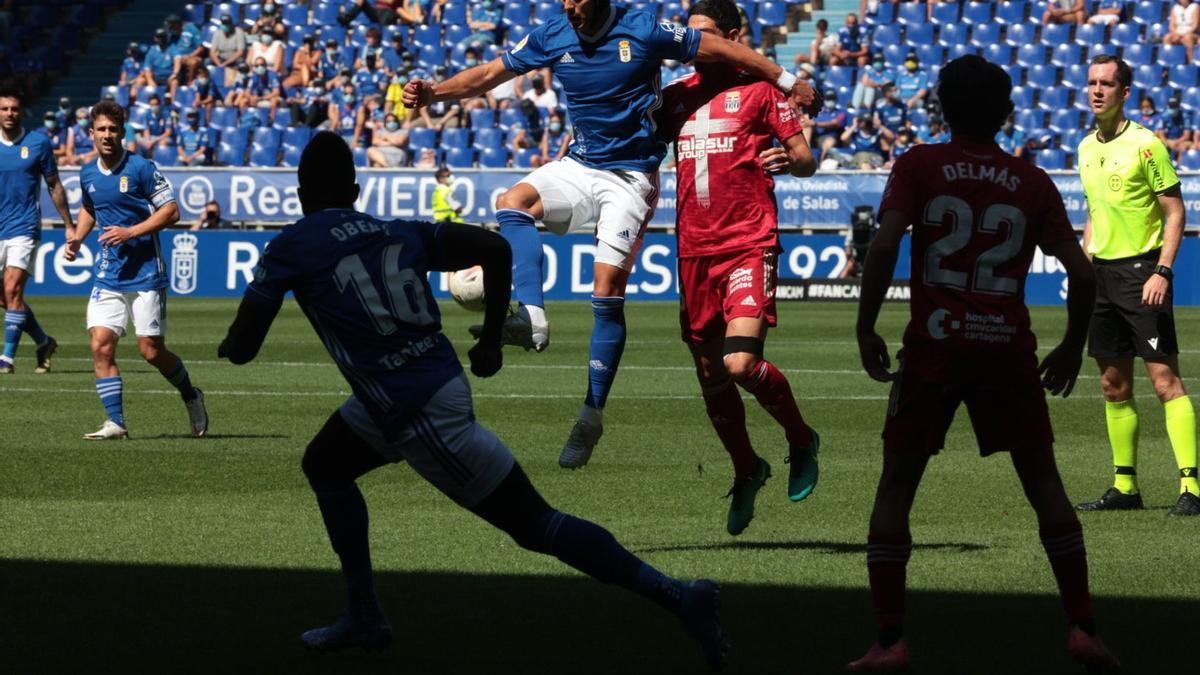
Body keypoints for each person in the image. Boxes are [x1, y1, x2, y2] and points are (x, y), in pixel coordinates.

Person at [215, 131, 729, 669]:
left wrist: (230, 344)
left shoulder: (291, 246)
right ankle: (364, 613)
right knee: (324, 464)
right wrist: (488, 338)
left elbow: (244, 348)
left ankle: (679, 597)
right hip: (405, 390)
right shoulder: (394, 229)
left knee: (536, 524)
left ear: (299, 193)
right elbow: (492, 247)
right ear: (356, 188)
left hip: (417, 409)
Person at [403, 0, 820, 469]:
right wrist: (434, 93)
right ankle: (533, 316)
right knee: (511, 202)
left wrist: (787, 81)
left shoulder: (644, 28)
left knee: (607, 290)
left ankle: (591, 415)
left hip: (631, 177)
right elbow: (487, 75)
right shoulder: (552, 33)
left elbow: (721, 49)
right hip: (581, 163)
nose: (568, 6)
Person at [850, 55, 1120, 673]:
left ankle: (890, 642)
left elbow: (886, 242)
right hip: (1006, 347)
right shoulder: (1030, 181)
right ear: (1007, 113)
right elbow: (1081, 274)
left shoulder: (918, 164)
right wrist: (1074, 344)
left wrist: (866, 325)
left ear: (943, 108)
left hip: (934, 345)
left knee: (896, 486)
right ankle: (1083, 628)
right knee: (1045, 485)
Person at [658, 0, 819, 536]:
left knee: (739, 365)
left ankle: (800, 437)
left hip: (748, 241)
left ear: (733, 35)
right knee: (709, 375)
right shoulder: (675, 98)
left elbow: (805, 158)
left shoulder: (761, 91)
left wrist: (790, 160)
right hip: (692, 251)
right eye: (689, 36)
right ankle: (748, 468)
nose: (695, 45)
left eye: (705, 35)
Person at [1074, 55, 1199, 517]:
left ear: (1125, 92)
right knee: (1112, 384)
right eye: (1091, 82)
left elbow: (1176, 212)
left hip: (1142, 273)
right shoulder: (1086, 147)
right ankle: (1125, 488)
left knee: (1165, 381)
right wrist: (1086, 263)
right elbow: (1092, 210)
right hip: (1102, 277)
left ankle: (1192, 488)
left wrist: (1162, 272)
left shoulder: (1147, 145)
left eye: (1107, 83)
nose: (1097, 90)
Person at [62, 100, 208, 440]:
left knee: (150, 351)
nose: (107, 135)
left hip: (145, 273)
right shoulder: (87, 173)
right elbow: (89, 207)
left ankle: (191, 395)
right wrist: (78, 239)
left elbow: (171, 211)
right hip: (109, 273)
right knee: (100, 344)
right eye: (101, 129)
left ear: (122, 132)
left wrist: (131, 232)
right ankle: (116, 422)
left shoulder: (142, 168)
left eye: (113, 129)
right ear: (91, 133)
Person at [0, 87, 73, 374]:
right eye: (4, 108)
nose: (9, 114)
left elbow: (54, 185)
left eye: (14, 109)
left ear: (22, 112)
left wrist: (68, 224)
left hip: (24, 226)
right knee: (5, 299)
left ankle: (6, 357)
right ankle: (44, 341)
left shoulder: (38, 143)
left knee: (12, 289)